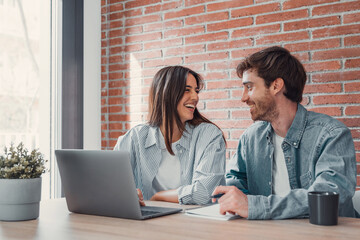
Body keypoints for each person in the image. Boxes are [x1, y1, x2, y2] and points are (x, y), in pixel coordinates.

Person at [212, 46, 357, 219]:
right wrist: (235, 201)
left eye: (249, 87)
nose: (243, 97)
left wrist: (256, 206)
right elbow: (235, 180)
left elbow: (329, 194)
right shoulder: (251, 138)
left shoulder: (332, 135)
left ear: (276, 86)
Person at [114, 66, 226, 205]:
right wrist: (126, 195)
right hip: (147, 222)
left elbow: (202, 193)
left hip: (194, 223)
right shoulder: (135, 137)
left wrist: (158, 197)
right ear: (166, 93)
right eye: (187, 90)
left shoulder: (209, 135)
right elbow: (111, 183)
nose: (195, 97)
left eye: (196, 91)